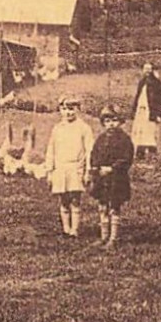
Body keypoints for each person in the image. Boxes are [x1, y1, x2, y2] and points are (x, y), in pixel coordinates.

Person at [43, 95, 97, 238]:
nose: (68, 113)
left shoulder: (84, 128)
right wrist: (49, 170)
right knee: (63, 199)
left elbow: (89, 150)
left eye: (72, 109)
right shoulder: (57, 128)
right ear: (60, 110)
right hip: (60, 168)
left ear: (78, 109)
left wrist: (88, 171)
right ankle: (66, 228)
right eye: (65, 109)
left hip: (76, 167)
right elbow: (51, 149)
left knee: (75, 199)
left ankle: (75, 229)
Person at [89, 105, 136, 249]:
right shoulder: (101, 139)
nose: (111, 124)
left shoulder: (124, 140)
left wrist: (112, 168)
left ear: (121, 122)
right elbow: (94, 154)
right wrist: (95, 168)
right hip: (102, 179)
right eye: (107, 121)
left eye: (115, 120)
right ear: (103, 123)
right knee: (102, 206)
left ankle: (113, 238)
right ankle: (103, 237)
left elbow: (127, 159)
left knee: (114, 207)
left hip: (117, 179)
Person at [129, 62, 161, 161]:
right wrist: (133, 111)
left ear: (153, 70)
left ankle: (152, 155)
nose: (147, 71)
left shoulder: (158, 84)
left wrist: (159, 114)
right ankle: (140, 153)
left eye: (149, 69)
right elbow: (137, 97)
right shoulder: (142, 82)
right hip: (140, 111)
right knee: (140, 131)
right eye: (145, 69)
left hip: (151, 112)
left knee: (150, 132)